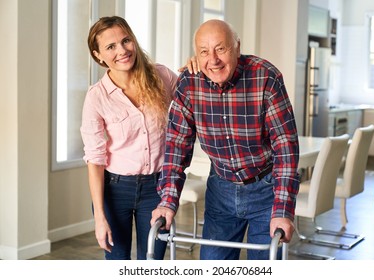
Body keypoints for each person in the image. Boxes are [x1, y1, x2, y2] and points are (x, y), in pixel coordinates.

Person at [151, 19, 300, 260]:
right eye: (203, 52)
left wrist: (283, 210)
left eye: (221, 48)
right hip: (220, 189)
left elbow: (285, 147)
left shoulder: (266, 77)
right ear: (196, 55)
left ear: (237, 47)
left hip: (266, 189)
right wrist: (168, 201)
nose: (213, 59)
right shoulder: (189, 84)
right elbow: (176, 147)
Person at [80, 16, 178, 260]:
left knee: (153, 262)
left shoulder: (161, 77)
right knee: (118, 263)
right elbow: (95, 159)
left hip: (157, 188)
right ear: (98, 55)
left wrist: (195, 65)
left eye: (126, 41)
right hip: (115, 191)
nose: (122, 51)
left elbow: (195, 96)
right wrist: (99, 218)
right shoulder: (97, 96)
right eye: (111, 46)